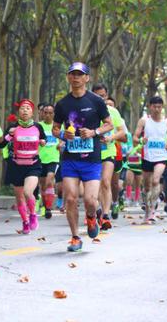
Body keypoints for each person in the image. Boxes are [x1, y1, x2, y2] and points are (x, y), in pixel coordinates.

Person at [53, 62, 113, 252]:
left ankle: (91, 217)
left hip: (92, 159)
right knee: (70, 198)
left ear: (87, 78)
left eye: (80, 74)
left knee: (90, 200)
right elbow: (55, 128)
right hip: (70, 159)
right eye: (73, 74)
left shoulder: (96, 101)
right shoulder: (63, 104)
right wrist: (63, 135)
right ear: (68, 77)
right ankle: (75, 237)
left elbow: (109, 125)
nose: (76, 78)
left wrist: (94, 132)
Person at [0, 99, 46, 234]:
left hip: (33, 164)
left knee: (27, 192)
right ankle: (25, 221)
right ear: (18, 112)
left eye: (28, 108)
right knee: (19, 197)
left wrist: (43, 141)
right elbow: (1, 145)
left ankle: (32, 214)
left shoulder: (37, 127)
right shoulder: (13, 128)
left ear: (32, 112)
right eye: (22, 108)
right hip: (16, 165)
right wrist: (9, 135)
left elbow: (44, 139)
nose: (25, 110)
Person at [92, 84, 127, 228]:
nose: (101, 98)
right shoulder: (88, 111)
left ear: (106, 95)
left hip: (109, 151)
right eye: (97, 95)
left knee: (106, 181)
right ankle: (98, 209)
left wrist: (111, 138)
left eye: (103, 95)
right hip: (92, 152)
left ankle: (105, 215)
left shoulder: (113, 111)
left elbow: (122, 133)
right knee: (97, 184)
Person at [133, 96, 167, 224]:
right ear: (150, 106)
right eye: (154, 106)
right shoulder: (144, 121)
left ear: (162, 107)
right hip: (147, 156)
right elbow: (135, 138)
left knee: (155, 181)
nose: (157, 109)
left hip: (161, 156)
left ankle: (153, 210)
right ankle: (147, 211)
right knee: (147, 186)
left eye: (159, 107)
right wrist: (141, 140)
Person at [38, 103, 60, 219]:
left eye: (50, 113)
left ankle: (49, 206)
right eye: (45, 112)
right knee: (42, 185)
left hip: (53, 158)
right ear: (42, 113)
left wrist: (61, 144)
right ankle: (46, 206)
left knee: (49, 180)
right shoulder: (38, 126)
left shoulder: (57, 126)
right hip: (41, 159)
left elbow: (64, 139)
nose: (47, 115)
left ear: (54, 114)